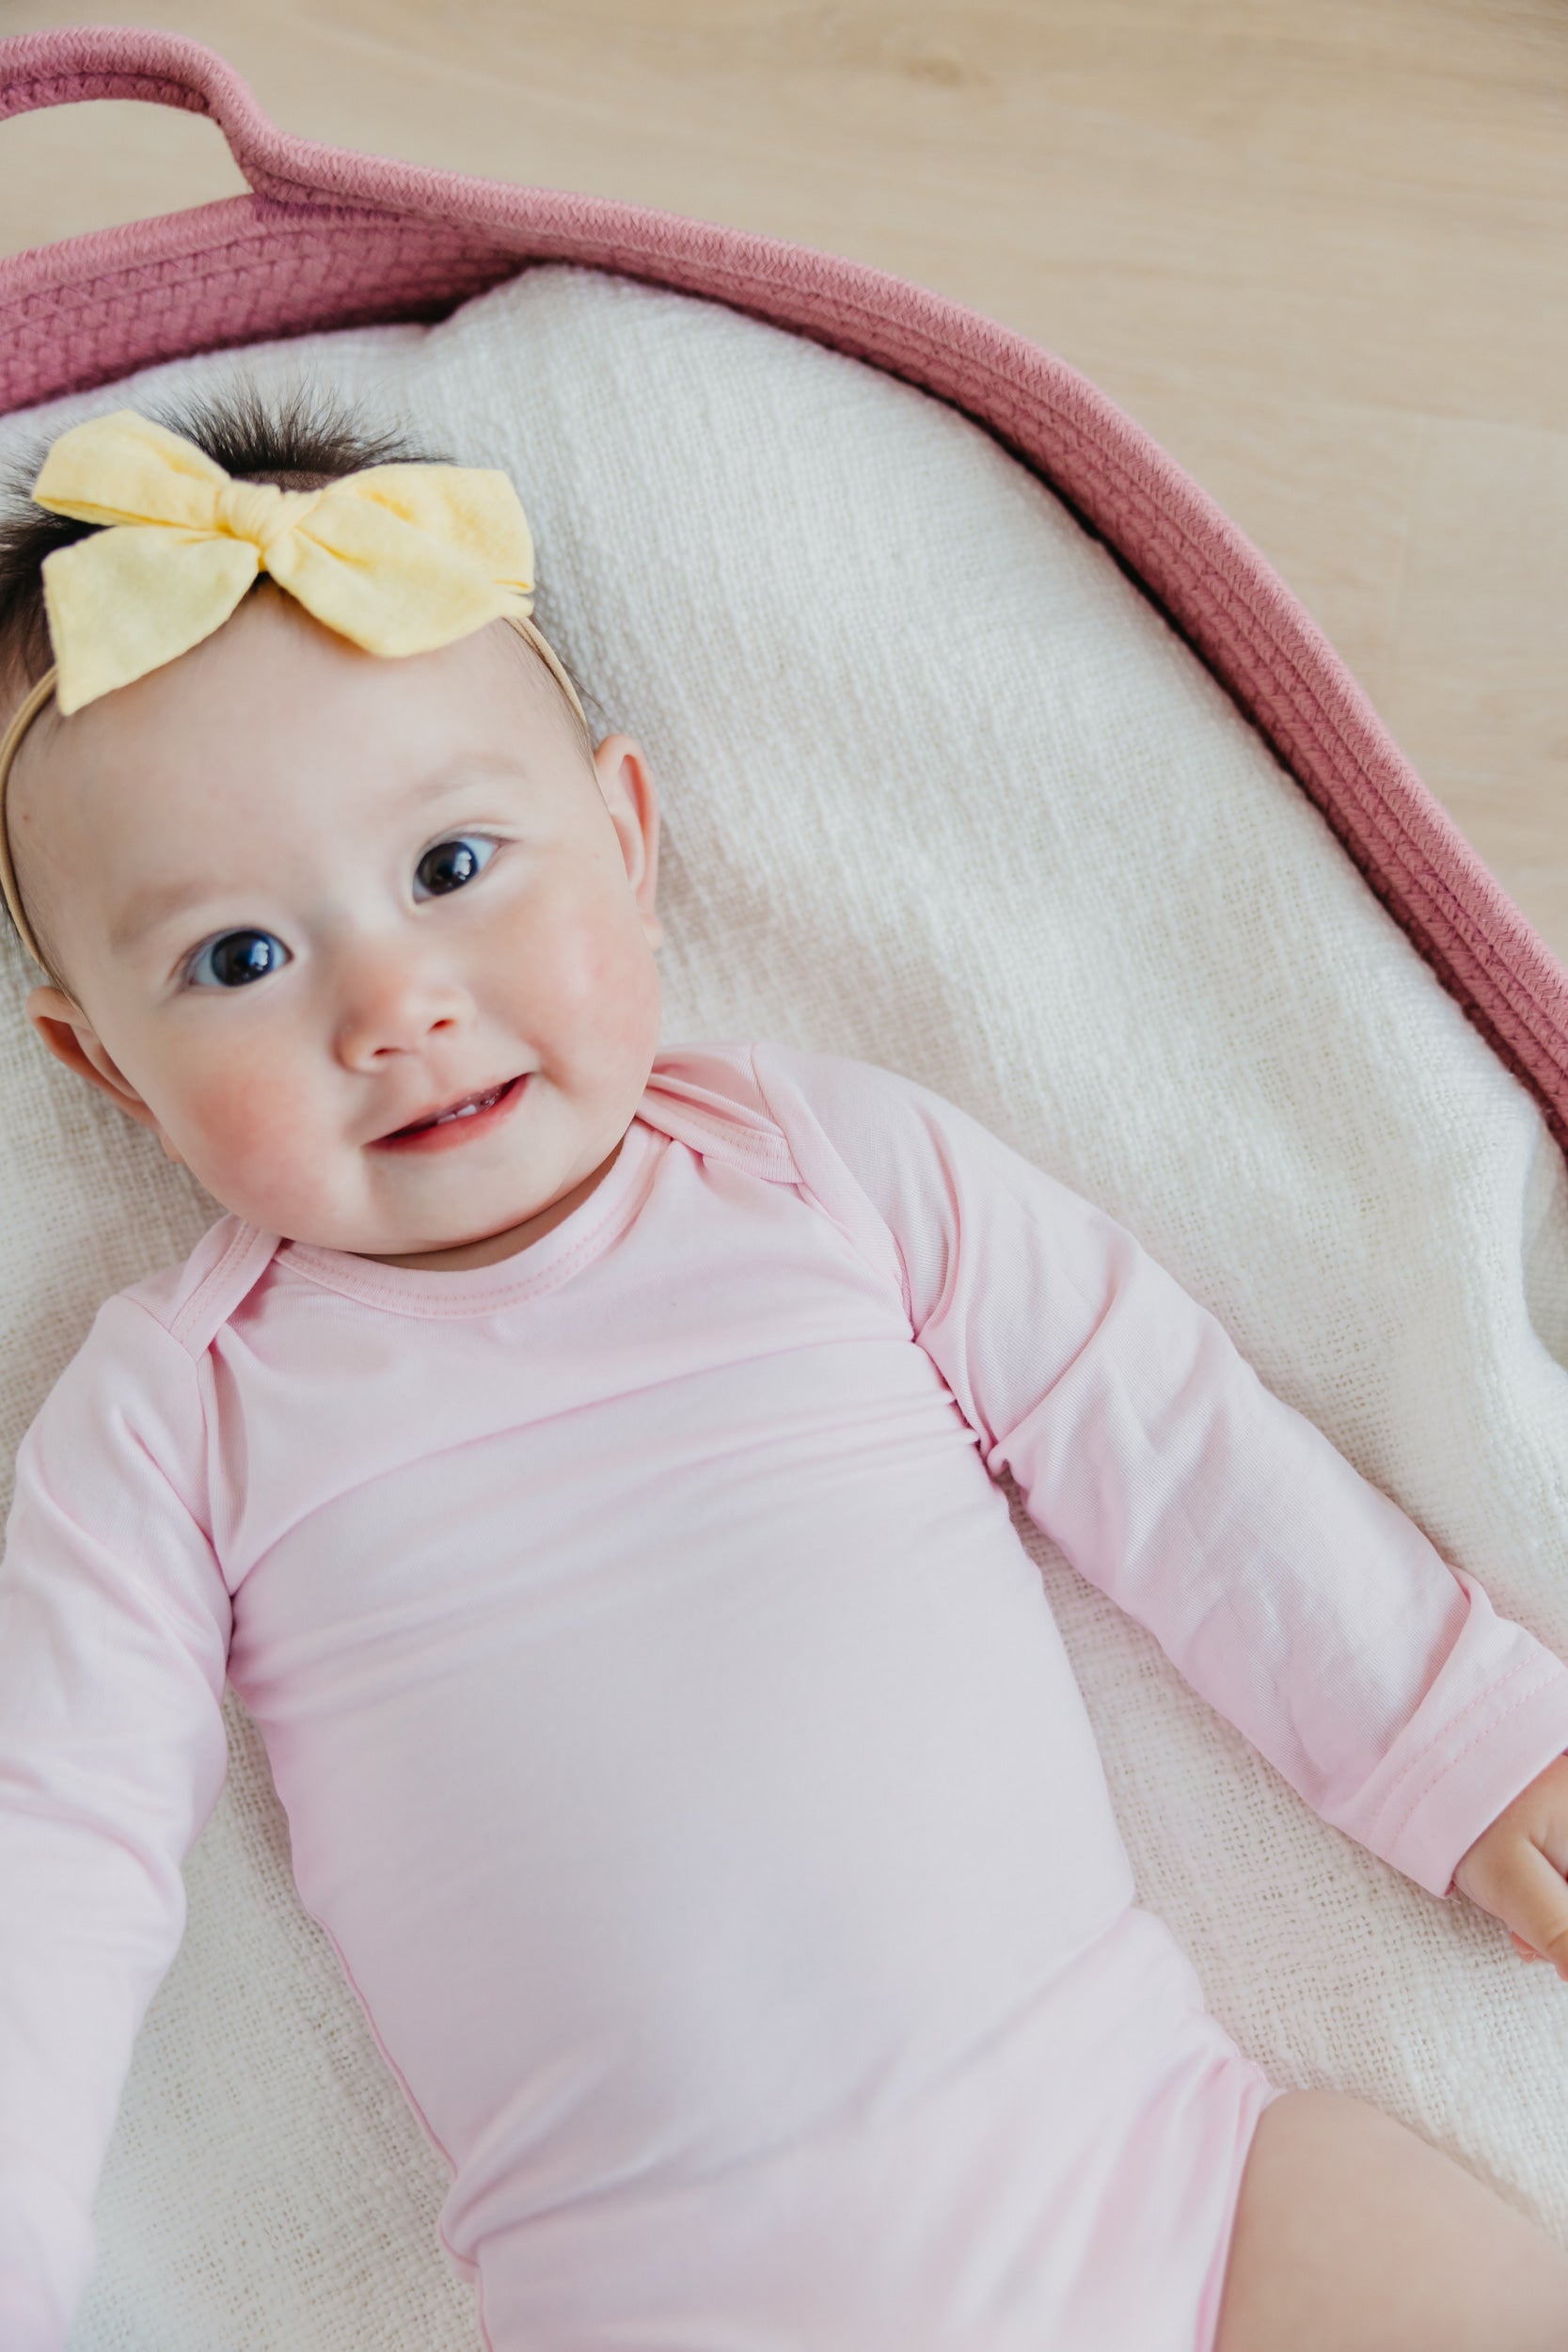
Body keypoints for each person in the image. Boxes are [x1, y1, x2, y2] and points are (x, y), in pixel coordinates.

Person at [2, 390, 1568, 2352]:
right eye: (239, 960)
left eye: (456, 861)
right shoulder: (179, 1412)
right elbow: (52, 1837)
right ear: (105, 1070)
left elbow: (1163, 1432)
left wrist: (1455, 1728)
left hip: (1157, 2180)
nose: (397, 1005)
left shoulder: (826, 1166)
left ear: (628, 836)